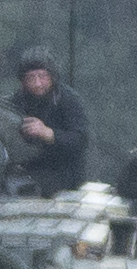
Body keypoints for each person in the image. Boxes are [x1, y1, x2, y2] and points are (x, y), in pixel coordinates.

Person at [10, 47, 91, 195]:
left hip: (65, 180)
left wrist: (49, 134)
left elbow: (81, 140)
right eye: (31, 78)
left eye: (42, 76)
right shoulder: (16, 102)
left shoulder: (67, 100)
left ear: (52, 77)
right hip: (26, 177)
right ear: (23, 81)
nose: (37, 83)